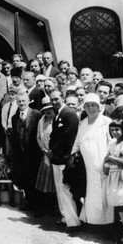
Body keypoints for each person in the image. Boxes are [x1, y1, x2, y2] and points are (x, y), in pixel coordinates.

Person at [72, 93, 114, 227]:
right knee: (91, 190)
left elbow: (112, 144)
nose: (90, 108)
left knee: (104, 191)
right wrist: (69, 156)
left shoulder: (106, 122)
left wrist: (108, 162)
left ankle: (108, 222)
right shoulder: (82, 124)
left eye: (93, 105)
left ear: (99, 106)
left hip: (104, 163)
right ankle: (93, 220)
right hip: (88, 165)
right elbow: (77, 144)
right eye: (88, 106)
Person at [48, 89, 81, 231]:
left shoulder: (69, 114)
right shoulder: (58, 114)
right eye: (52, 99)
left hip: (64, 158)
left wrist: (52, 151)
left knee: (65, 190)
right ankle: (65, 217)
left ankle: (73, 221)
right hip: (57, 159)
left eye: (56, 99)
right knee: (60, 190)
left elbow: (68, 138)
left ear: (62, 97)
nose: (54, 102)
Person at [10, 92, 43, 215]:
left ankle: (39, 207)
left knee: (35, 180)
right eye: (19, 101)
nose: (21, 103)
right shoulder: (14, 117)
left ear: (28, 101)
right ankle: (29, 203)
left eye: (24, 101)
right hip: (22, 154)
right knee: (26, 179)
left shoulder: (37, 114)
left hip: (34, 153)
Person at [35, 97, 56, 208]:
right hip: (45, 155)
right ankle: (46, 206)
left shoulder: (58, 119)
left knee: (56, 182)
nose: (48, 111)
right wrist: (44, 150)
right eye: (45, 109)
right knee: (45, 182)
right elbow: (38, 137)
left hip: (56, 155)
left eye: (50, 109)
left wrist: (53, 152)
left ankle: (55, 207)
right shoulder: (41, 121)